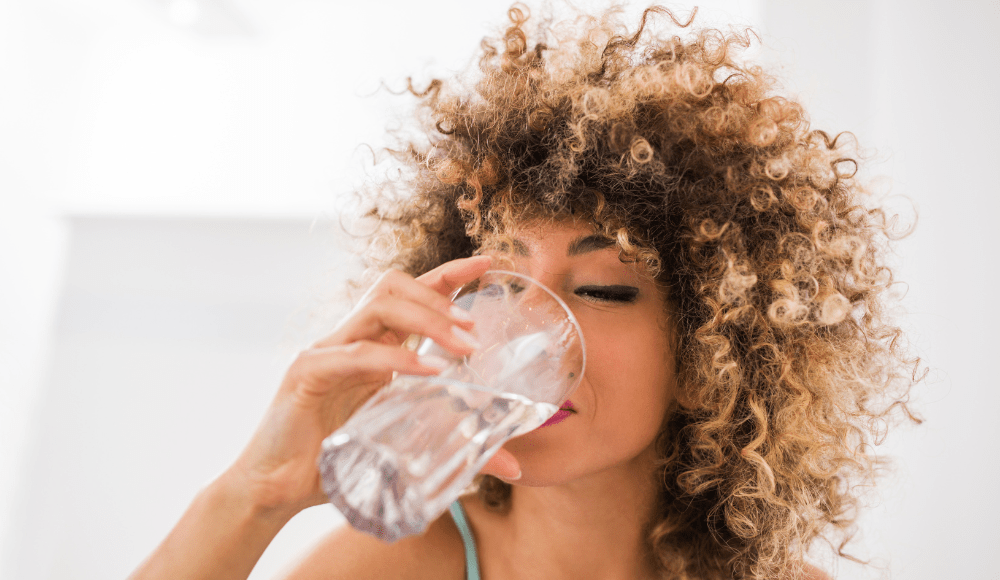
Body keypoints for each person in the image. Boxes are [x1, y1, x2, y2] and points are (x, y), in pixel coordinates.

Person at [129, 4, 920, 579]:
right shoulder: (393, 567)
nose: (527, 333)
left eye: (605, 290)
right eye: (501, 280)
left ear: (708, 356)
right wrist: (254, 495)